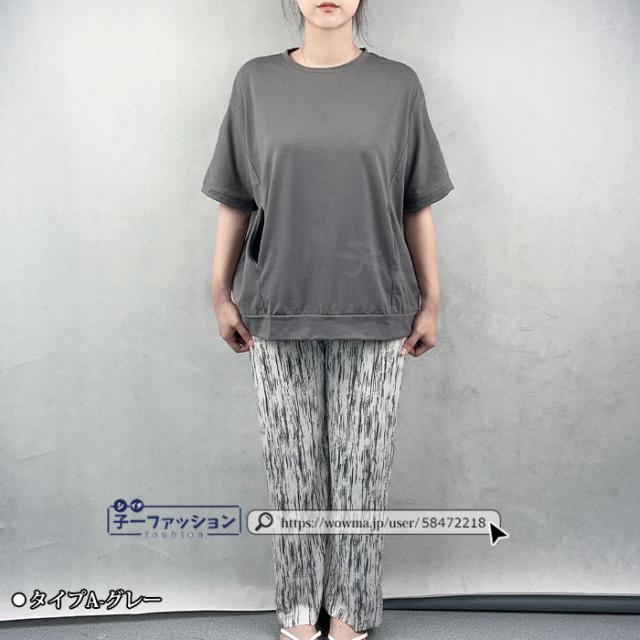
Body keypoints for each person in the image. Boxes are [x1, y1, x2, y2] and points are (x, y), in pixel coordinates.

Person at [201, 2, 454, 639]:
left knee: (363, 469)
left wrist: (431, 300)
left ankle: (350, 608)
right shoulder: (256, 82)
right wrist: (219, 292)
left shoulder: (397, 85)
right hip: (277, 302)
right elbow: (235, 196)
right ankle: (296, 605)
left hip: (376, 301)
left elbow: (415, 202)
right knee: (292, 471)